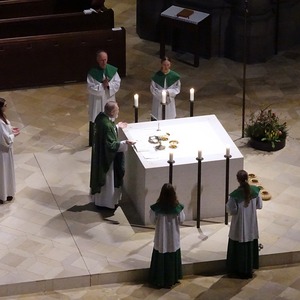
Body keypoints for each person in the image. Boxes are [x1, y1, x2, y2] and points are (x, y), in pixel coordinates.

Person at [90, 101, 135, 209]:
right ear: (112, 112)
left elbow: (106, 133)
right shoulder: (106, 125)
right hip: (107, 160)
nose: (118, 111)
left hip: (100, 155)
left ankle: (100, 200)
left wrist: (117, 127)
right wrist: (125, 143)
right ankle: (107, 203)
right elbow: (110, 146)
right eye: (117, 110)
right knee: (108, 180)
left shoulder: (100, 118)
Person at [226, 170, 263, 279]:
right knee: (249, 241)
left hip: (239, 224)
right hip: (251, 222)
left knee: (239, 242)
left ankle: (237, 270)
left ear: (238, 179)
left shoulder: (234, 195)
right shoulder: (255, 191)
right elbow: (259, 206)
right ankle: (249, 269)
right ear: (247, 178)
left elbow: (232, 210)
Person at [149, 183, 185, 288]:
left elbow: (152, 221)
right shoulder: (178, 208)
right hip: (173, 237)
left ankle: (159, 279)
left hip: (161, 237)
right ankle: (172, 278)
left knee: (161, 251)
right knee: (172, 251)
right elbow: (182, 220)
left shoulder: (156, 208)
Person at [87, 50, 121, 146]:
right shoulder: (92, 73)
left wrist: (109, 85)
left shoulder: (112, 71)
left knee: (110, 118)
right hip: (97, 100)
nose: (104, 62)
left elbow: (117, 83)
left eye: (105, 60)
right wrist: (102, 86)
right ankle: (95, 141)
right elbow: (90, 87)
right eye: (101, 60)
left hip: (108, 98)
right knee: (97, 118)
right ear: (97, 60)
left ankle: (110, 139)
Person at [0, 98, 20, 204]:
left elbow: (5, 129)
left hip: (6, 152)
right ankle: (2, 194)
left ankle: (8, 192)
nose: (6, 107)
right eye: (5, 105)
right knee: (3, 172)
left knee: (6, 172)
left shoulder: (2, 118)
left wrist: (11, 129)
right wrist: (13, 135)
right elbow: (5, 139)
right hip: (2, 153)